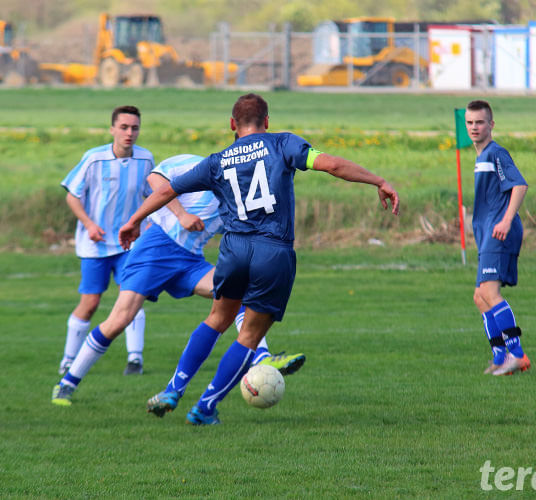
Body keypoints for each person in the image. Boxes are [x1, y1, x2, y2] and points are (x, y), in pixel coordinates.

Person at [118, 93, 400, 425]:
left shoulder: (216, 161)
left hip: (234, 250)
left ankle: (173, 388)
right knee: (249, 335)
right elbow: (333, 164)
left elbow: (165, 191)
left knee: (216, 320)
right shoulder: (283, 144)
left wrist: (133, 220)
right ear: (267, 122)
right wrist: (378, 180)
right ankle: (205, 407)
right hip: (273, 251)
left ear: (232, 125)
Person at [51, 154, 306, 406]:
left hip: (190, 260)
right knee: (120, 320)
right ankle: (66, 384)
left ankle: (262, 357)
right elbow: (155, 178)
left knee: (238, 294)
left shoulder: (242, 195)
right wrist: (181, 214)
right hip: (157, 248)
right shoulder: (201, 164)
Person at [59, 105, 153, 377]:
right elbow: (72, 195)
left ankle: (135, 360)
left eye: (134, 128)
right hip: (95, 244)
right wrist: (89, 224)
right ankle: (68, 360)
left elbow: (151, 194)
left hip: (128, 244)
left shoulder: (146, 159)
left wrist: (144, 226)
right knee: (90, 303)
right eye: (123, 127)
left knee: (133, 297)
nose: (129, 133)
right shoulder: (93, 159)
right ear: (112, 129)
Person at [465, 100, 530, 376]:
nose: (474, 127)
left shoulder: (496, 153)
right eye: (469, 123)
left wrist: (504, 220)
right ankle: (500, 356)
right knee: (480, 297)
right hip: (487, 232)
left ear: (491, 124)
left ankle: (517, 355)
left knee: (490, 293)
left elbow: (519, 185)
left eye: (479, 122)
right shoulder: (481, 157)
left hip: (498, 231)